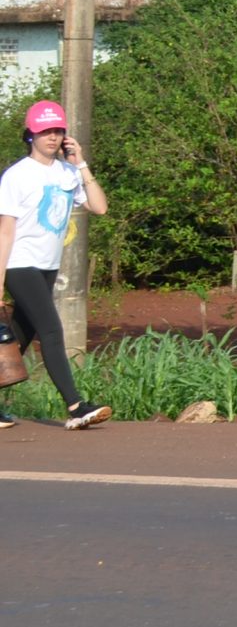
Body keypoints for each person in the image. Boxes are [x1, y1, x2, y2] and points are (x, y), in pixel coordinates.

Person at [0, 100, 110, 430]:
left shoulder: (67, 173)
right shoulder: (16, 176)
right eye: (45, 131)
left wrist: (81, 164)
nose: (52, 136)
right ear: (30, 135)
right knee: (51, 329)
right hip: (20, 264)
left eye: (57, 130)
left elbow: (100, 207)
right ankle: (76, 406)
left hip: (47, 264)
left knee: (20, 335)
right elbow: (5, 231)